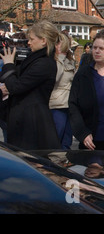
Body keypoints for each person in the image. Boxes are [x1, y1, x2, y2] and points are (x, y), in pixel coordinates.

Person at [0, 20, 61, 150]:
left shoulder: (44, 63)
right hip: (25, 119)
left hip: (32, 123)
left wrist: (8, 65)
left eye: (32, 39)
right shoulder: (35, 60)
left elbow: (16, 86)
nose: (28, 42)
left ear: (43, 41)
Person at [49, 32, 76, 149]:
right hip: (56, 105)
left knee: (66, 141)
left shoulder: (69, 59)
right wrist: (59, 57)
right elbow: (55, 78)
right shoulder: (53, 60)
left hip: (68, 104)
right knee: (56, 139)